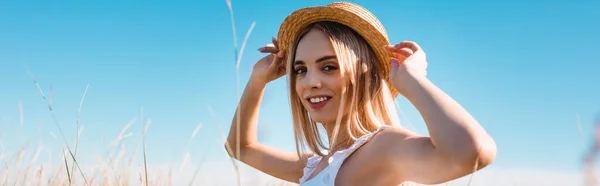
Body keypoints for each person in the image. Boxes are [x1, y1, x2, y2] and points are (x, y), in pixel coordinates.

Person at [225, 2, 497, 185]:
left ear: (366, 73)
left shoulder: (384, 147)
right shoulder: (315, 166)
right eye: (300, 70)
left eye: (329, 67)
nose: (311, 82)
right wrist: (258, 79)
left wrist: (412, 80)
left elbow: (472, 153)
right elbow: (240, 147)